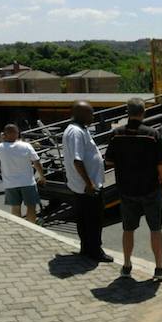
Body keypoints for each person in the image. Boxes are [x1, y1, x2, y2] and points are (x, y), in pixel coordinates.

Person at [105, 98, 162, 281]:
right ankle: (159, 268)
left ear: (127, 112)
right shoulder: (152, 135)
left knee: (128, 229)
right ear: (143, 113)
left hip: (127, 190)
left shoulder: (116, 134)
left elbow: (109, 161)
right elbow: (161, 164)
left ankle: (126, 266)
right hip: (150, 189)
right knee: (155, 229)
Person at [62, 100, 113, 262]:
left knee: (84, 219)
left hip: (81, 186)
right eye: (90, 113)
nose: (93, 116)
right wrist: (89, 183)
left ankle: (86, 248)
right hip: (87, 187)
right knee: (94, 220)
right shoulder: (76, 132)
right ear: (81, 114)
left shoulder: (79, 129)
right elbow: (77, 160)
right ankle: (95, 251)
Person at [0, 124, 46, 223]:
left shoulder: (0, 147)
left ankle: (18, 228)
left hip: (11, 185)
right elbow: (36, 162)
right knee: (31, 207)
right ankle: (32, 229)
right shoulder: (26, 146)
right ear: (17, 133)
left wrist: (0, 139)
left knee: (15, 208)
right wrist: (42, 176)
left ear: (4, 134)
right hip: (28, 183)